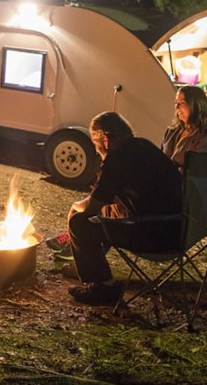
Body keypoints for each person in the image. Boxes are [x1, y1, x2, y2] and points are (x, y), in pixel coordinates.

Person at [62, 111, 183, 306]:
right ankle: (86, 266)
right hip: (179, 230)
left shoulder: (118, 158)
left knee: (79, 222)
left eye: (96, 144)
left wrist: (75, 206)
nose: (97, 151)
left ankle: (104, 286)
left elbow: (92, 207)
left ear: (106, 139)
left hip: (151, 234)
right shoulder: (144, 146)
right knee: (107, 212)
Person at [161, 85, 207, 170]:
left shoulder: (205, 139)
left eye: (182, 103)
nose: (177, 107)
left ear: (195, 106)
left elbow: (196, 173)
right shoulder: (172, 131)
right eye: (176, 103)